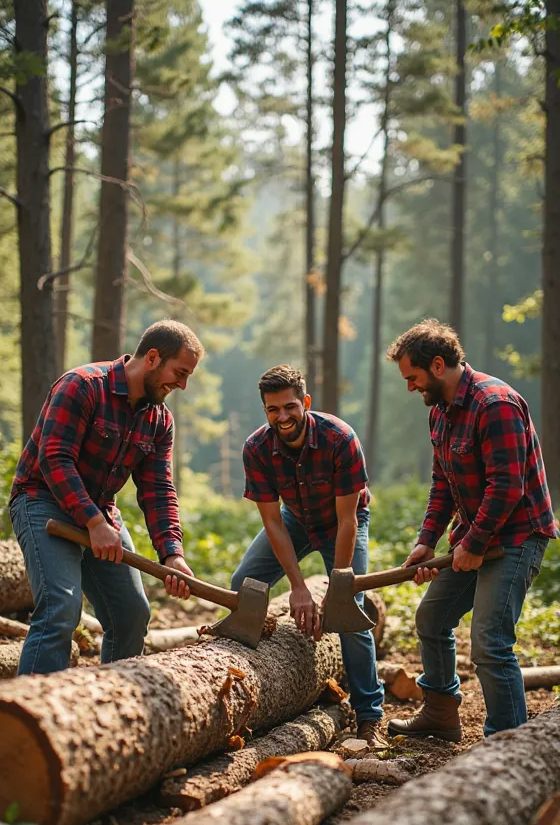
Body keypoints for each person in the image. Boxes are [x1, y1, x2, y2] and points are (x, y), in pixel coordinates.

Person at [385, 319, 558, 740]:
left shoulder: (494, 403)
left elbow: (507, 486)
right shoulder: (440, 415)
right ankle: (441, 715)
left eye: (413, 377)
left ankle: (508, 743)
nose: (410, 387)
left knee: (489, 642)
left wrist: (475, 542)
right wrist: (427, 542)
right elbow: (442, 484)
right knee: (431, 617)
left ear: (438, 365)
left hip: (517, 537)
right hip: (478, 537)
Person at [9, 319, 203, 674]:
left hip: (99, 512)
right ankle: (27, 717)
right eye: (180, 372)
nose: (183, 385)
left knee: (132, 614)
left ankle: (108, 707)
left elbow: (159, 490)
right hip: (41, 501)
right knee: (60, 610)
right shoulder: (82, 386)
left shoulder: (160, 421)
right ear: (153, 357)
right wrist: (95, 522)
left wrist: (172, 554)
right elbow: (54, 458)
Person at [229, 364, 385, 746]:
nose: (282, 417)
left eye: (290, 407)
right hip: (294, 520)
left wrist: (338, 588)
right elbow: (272, 522)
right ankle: (261, 681)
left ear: (306, 403)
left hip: (341, 522)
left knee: (350, 612)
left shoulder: (340, 438)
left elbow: (348, 520)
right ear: (265, 410)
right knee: (243, 586)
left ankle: (369, 716)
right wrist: (298, 587)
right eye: (273, 410)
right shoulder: (257, 448)